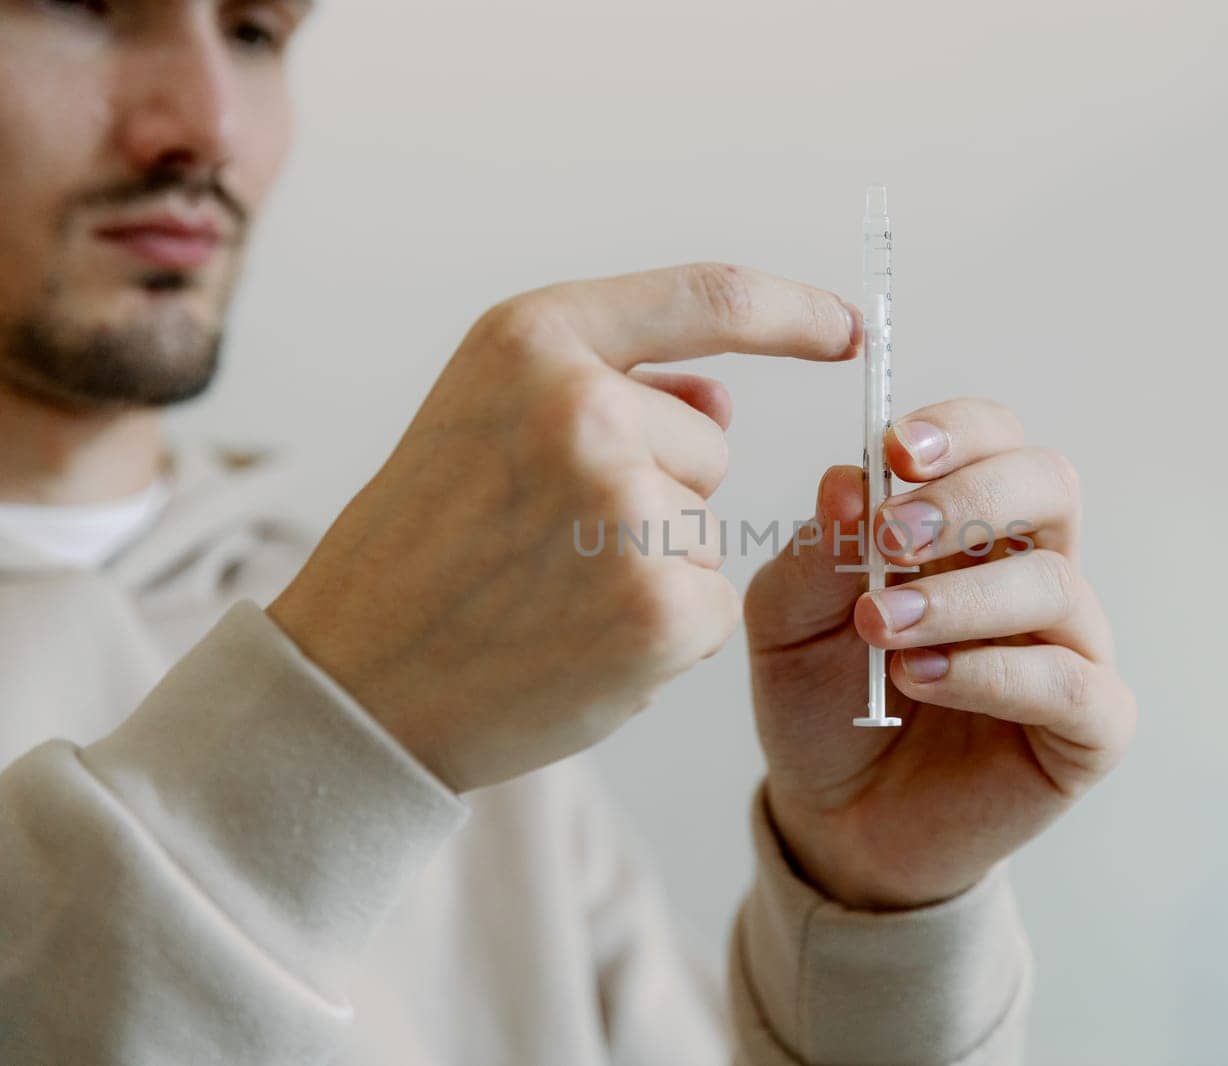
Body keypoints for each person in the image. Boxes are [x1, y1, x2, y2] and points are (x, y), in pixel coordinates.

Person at [0, 2, 1138, 1063]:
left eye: (253, 30)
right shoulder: (392, 649)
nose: (205, 128)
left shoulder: (435, 654)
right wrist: (339, 723)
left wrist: (877, 916)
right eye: (82, 4)